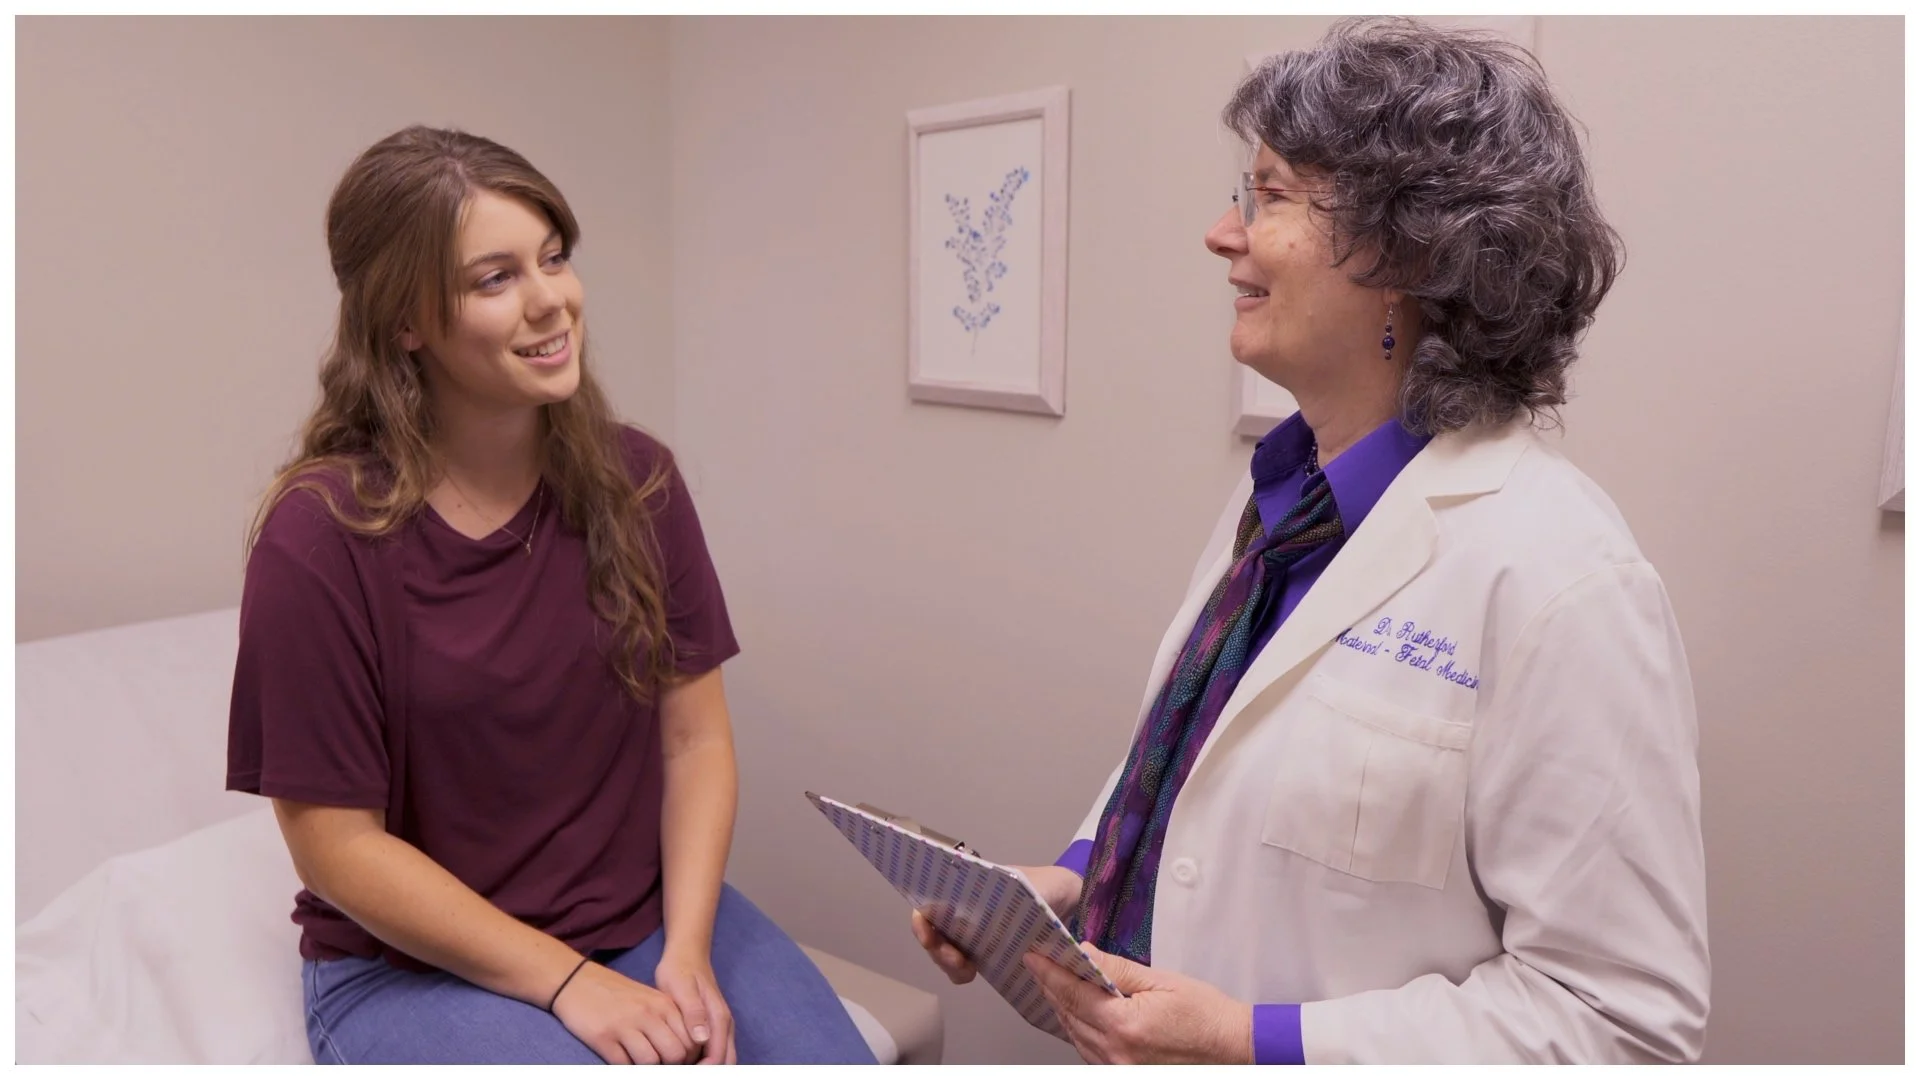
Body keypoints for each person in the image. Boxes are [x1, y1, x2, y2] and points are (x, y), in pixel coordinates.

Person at [912, 17, 1708, 1064]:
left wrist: (1255, 1041)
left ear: (1404, 252)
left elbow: (1621, 1022)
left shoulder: (1563, 580)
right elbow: (1204, 760)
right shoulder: (1287, 495)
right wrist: (1070, 879)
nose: (1223, 233)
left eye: (1272, 196)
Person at [226, 125, 875, 1066]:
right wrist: (569, 982)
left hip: (641, 920)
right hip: (413, 968)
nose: (551, 301)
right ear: (404, 322)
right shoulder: (321, 536)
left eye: (554, 258)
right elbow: (335, 846)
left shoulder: (636, 481)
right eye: (495, 279)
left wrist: (689, 951)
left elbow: (693, 741)